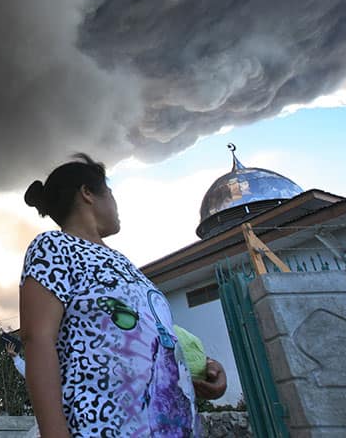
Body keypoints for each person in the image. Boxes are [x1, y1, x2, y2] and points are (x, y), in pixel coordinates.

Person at [19, 154, 225, 438]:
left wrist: (205, 368)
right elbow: (37, 339)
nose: (116, 205)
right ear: (88, 193)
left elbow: (153, 338)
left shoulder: (128, 267)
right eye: (111, 193)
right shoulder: (53, 246)